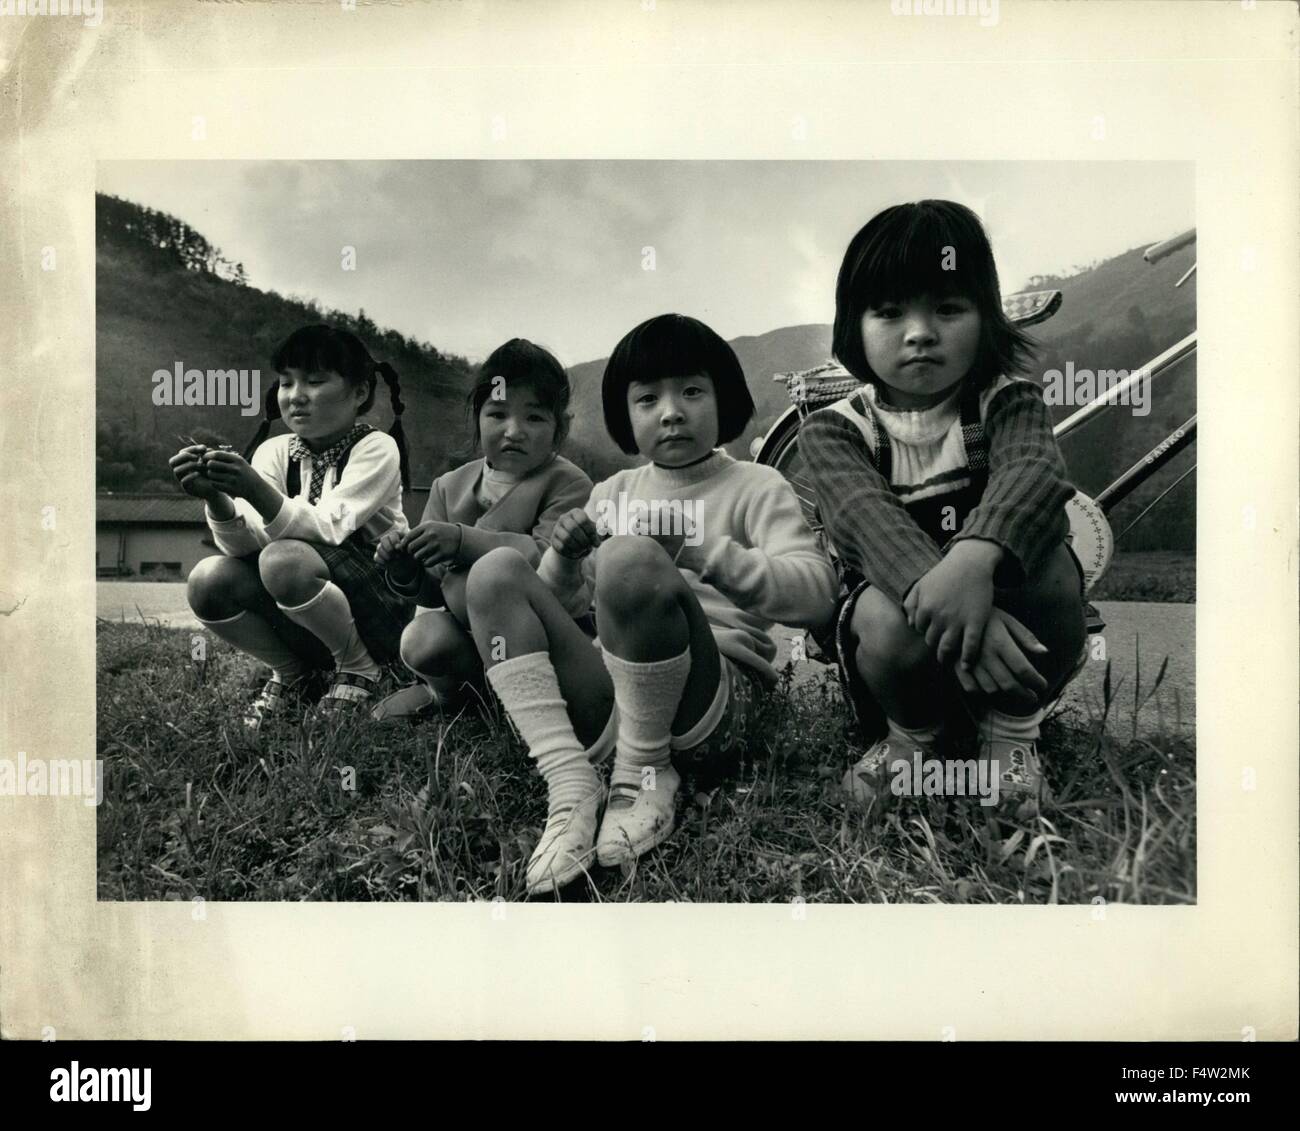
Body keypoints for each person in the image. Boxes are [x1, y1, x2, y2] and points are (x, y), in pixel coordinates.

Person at [463, 313, 837, 894]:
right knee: (493, 574)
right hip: (617, 695)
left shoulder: (758, 486)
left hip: (712, 704)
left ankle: (643, 774)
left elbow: (816, 594)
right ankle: (572, 784)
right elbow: (566, 605)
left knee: (630, 558)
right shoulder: (613, 492)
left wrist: (699, 550)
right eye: (647, 399)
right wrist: (562, 560)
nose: (671, 411)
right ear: (625, 415)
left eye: (692, 391)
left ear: (725, 400)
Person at [798, 200, 1088, 817]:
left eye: (948, 308)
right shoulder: (834, 429)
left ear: (987, 318)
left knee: (1056, 571)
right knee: (879, 615)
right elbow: (860, 516)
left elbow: (1033, 475)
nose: (920, 332)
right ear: (854, 325)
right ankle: (913, 738)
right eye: (890, 311)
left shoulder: (1007, 403)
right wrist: (945, 597)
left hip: (1008, 641)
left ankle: (1012, 734)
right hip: (902, 664)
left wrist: (974, 564)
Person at [171, 323, 414, 729]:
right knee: (208, 579)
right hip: (313, 611)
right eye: (286, 383)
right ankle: (294, 674)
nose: (295, 396)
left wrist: (254, 488)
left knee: (283, 559)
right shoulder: (274, 450)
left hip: (380, 609)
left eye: (315, 381)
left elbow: (331, 527)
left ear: (359, 393)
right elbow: (247, 544)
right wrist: (216, 496)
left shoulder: (376, 447)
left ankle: (360, 670)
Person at [370, 339, 593, 721]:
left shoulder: (568, 484)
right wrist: (405, 569)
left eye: (535, 418)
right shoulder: (448, 486)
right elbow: (433, 589)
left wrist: (462, 540)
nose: (514, 431)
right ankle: (452, 695)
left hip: (543, 639)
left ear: (561, 428)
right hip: (469, 638)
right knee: (421, 640)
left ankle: (527, 700)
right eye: (497, 414)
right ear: (476, 416)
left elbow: (544, 560)